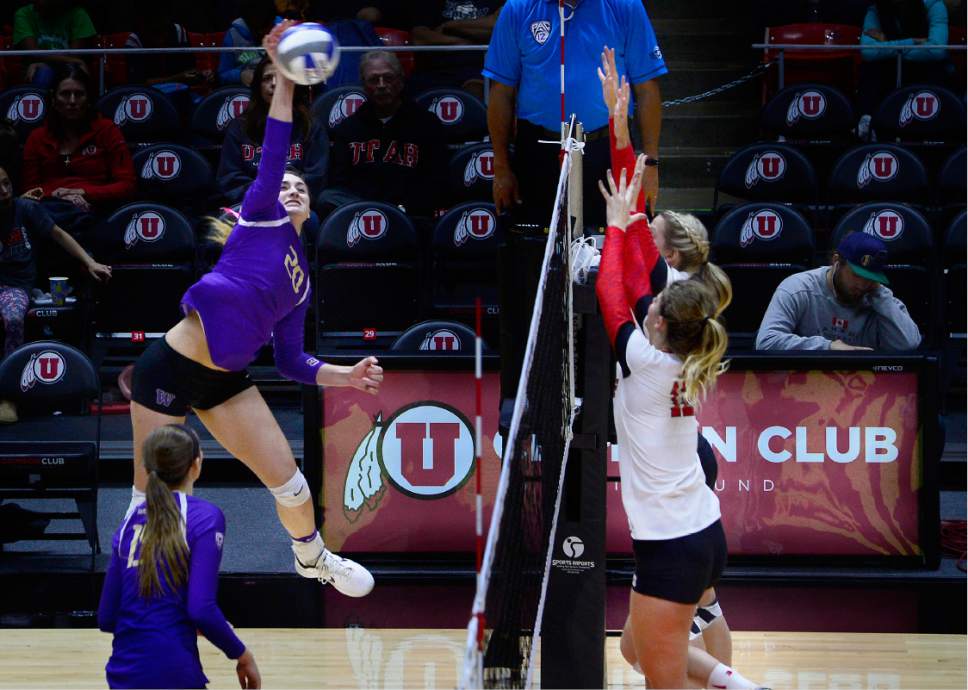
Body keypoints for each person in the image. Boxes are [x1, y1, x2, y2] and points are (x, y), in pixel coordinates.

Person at [126, 21, 380, 599]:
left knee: (291, 487)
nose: (289, 187)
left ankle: (313, 558)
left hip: (225, 382)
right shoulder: (259, 214)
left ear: (312, 205)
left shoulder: (301, 282)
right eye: (283, 182)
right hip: (168, 368)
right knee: (153, 498)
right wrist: (286, 77)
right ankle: (139, 597)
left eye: (300, 187)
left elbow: (291, 361)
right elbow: (275, 142)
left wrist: (345, 375)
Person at [599, 55, 760, 690]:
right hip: (702, 527)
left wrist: (614, 229)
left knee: (655, 673)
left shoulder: (643, 357)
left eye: (655, 304)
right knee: (638, 652)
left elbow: (616, 287)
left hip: (670, 544)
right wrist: (618, 127)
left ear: (659, 323)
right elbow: (638, 247)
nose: (651, 300)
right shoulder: (679, 339)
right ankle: (736, 682)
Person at [98, 424, 261, 689]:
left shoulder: (128, 524)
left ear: (149, 469)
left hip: (123, 673)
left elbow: (107, 616)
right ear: (196, 465)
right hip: (175, 671)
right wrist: (242, 655)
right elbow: (201, 608)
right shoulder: (205, 517)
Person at [484, 0, 666, 226]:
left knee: (609, 245)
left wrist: (650, 164)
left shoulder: (626, 6)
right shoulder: (518, 8)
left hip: (607, 150)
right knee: (537, 247)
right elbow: (501, 92)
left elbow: (647, 89)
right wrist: (501, 166)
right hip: (538, 151)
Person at [0, 163, 112, 424]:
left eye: (7, 183)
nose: (4, 191)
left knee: (14, 317)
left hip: (16, 285)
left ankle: (6, 396)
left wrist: (89, 262)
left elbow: (60, 235)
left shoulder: (25, 208)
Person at [321, 51, 449, 219]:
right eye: (374, 80)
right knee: (327, 197)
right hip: (361, 211)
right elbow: (339, 182)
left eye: (388, 78)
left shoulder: (426, 124)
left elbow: (436, 178)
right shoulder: (349, 128)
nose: (381, 85)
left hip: (409, 212)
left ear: (401, 81)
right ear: (364, 85)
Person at [21, 64, 137, 242]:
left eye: (79, 94)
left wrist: (83, 193)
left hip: (97, 210)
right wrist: (60, 196)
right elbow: (29, 191)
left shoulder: (107, 130)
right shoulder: (37, 138)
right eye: (65, 94)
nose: (73, 101)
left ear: (88, 98)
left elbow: (127, 184)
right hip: (50, 213)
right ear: (53, 98)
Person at [755, 232, 922, 351]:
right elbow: (766, 341)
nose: (863, 284)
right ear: (836, 261)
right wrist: (828, 347)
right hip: (802, 384)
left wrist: (880, 295)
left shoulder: (877, 296)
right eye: (857, 275)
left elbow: (908, 345)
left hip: (863, 387)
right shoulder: (798, 288)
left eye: (870, 277)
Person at [218, 56, 328, 207]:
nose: (274, 84)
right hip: (250, 205)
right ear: (258, 86)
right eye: (267, 78)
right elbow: (230, 179)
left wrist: (286, 195)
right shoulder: (239, 127)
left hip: (295, 205)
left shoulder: (310, 126)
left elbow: (316, 176)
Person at [857, 0, 950, 140]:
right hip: (891, 71)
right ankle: (867, 122)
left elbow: (937, 51)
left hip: (925, 70)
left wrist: (887, 41)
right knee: (871, 67)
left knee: (934, 67)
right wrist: (911, 42)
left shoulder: (934, 5)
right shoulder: (875, 10)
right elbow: (867, 52)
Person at [410, 1, 504, 100]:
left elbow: (499, 26)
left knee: (475, 91)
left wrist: (449, 26)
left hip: (479, 67)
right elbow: (418, 38)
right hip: (433, 67)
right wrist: (465, 42)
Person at [124, 6, 216, 91]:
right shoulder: (134, 41)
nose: (161, 40)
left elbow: (190, 69)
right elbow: (139, 84)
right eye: (156, 32)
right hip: (149, 95)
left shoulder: (178, 31)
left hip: (179, 92)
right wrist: (177, 78)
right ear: (144, 27)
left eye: (164, 31)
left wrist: (202, 74)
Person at [12, 0, 96, 88]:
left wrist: (45, 63)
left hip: (68, 67)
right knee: (44, 73)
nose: (38, 8)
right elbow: (33, 52)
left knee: (69, 73)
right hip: (34, 70)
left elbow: (73, 56)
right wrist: (74, 61)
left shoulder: (78, 14)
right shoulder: (24, 14)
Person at [220, 0, 279, 86]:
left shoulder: (285, 30)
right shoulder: (233, 35)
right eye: (257, 30)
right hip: (245, 91)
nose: (262, 35)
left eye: (267, 29)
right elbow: (222, 74)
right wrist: (240, 75)